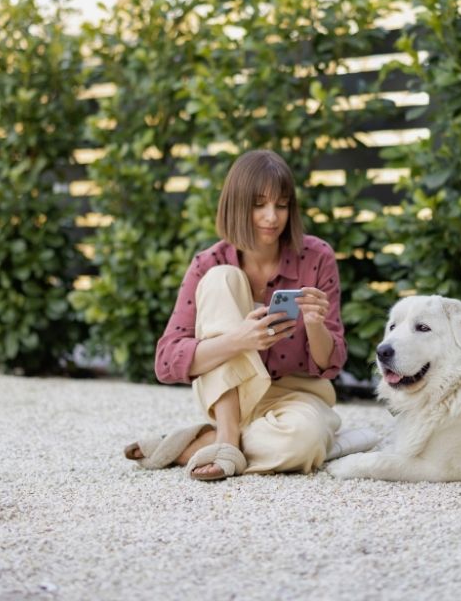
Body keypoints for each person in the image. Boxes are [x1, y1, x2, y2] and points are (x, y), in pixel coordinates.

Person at [123, 149, 374, 480]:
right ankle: (227, 436)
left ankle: (199, 444)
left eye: (281, 205)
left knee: (302, 443)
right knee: (222, 278)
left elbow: (332, 364)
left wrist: (315, 325)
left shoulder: (316, 257)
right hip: (232, 397)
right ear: (237, 205)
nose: (272, 217)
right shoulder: (208, 263)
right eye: (259, 204)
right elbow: (167, 360)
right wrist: (237, 340)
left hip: (295, 397)